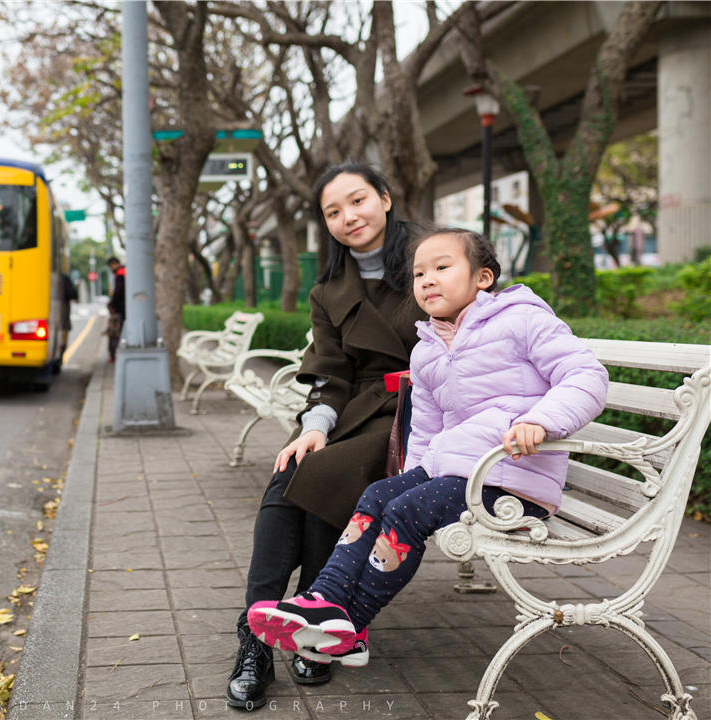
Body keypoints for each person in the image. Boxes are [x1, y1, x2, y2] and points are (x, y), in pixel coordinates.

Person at [245, 228, 609, 669]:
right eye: (419, 273)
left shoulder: (522, 320)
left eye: (442, 267)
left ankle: (352, 627)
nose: (427, 280)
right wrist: (410, 474)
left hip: (513, 479)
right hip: (460, 473)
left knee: (406, 510)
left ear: (483, 277)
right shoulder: (428, 351)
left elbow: (586, 375)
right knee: (380, 495)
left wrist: (540, 421)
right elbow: (427, 430)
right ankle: (325, 598)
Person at [227, 163, 426, 709]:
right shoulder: (329, 289)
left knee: (326, 474)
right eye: (333, 211)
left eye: (358, 201)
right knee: (293, 467)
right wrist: (314, 426)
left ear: (385, 198)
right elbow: (330, 375)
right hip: (358, 405)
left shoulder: (431, 257)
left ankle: (310, 622)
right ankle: (259, 638)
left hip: (426, 409)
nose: (348, 217)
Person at [106, 256, 126, 361]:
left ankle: (114, 355)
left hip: (121, 309)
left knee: (115, 332)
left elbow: (118, 292)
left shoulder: (120, 274)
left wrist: (112, 305)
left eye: (111, 266)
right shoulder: (125, 271)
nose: (111, 269)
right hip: (125, 308)